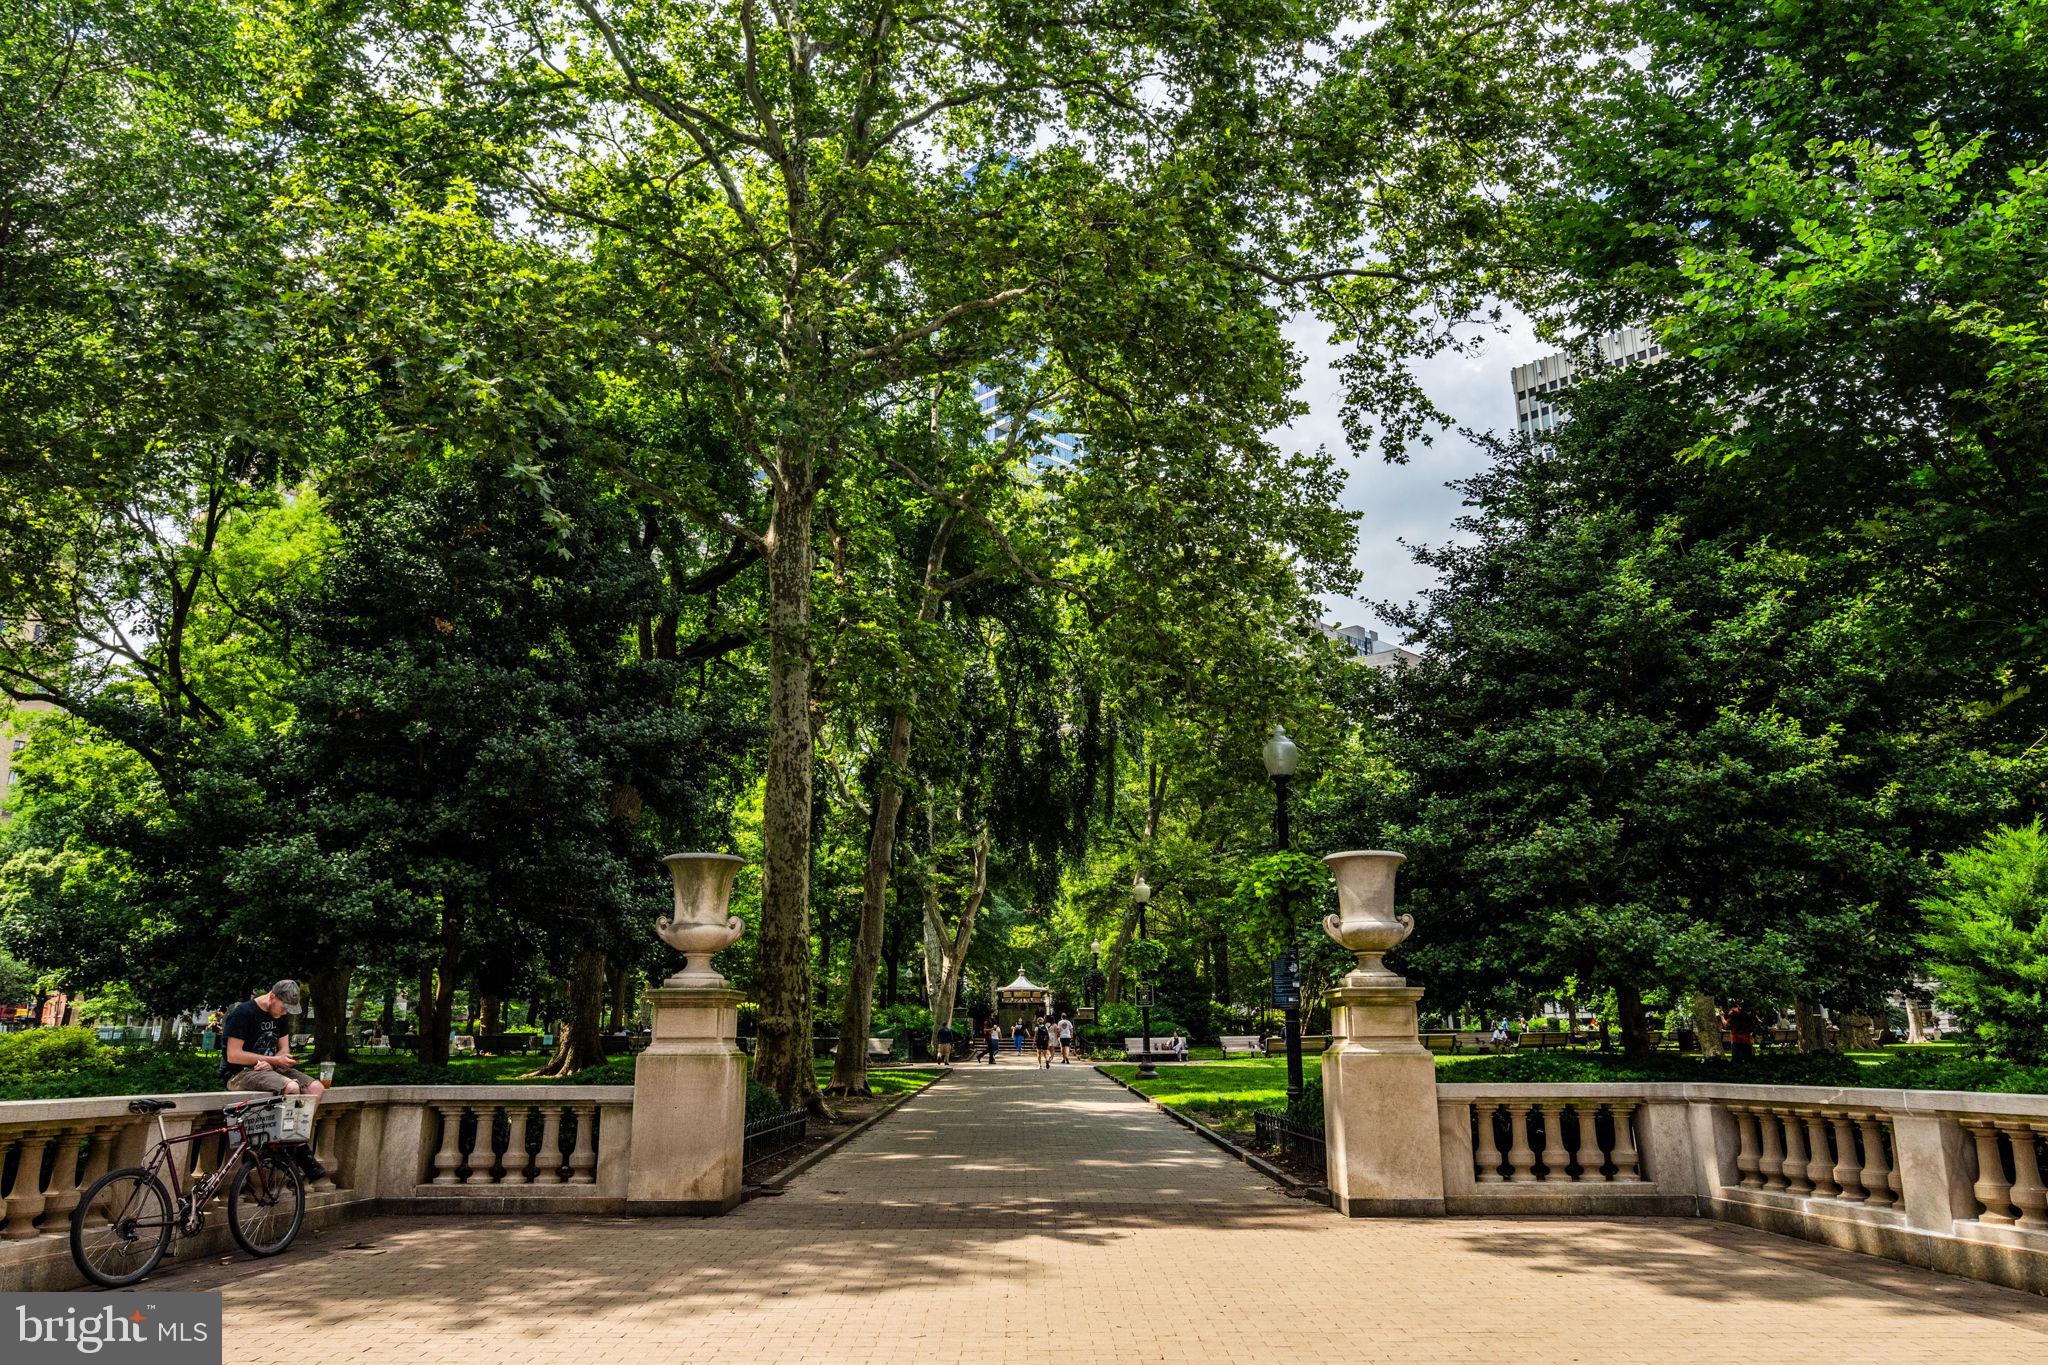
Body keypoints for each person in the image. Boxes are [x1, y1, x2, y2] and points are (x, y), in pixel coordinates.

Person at [220, 980, 326, 1181]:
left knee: (316, 1087)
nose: (285, 1012)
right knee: (292, 1087)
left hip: (271, 1069)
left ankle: (297, 1140)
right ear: (272, 996)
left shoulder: (279, 1016)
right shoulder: (243, 1013)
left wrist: (277, 1061)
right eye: (283, 1007)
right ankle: (297, 1149)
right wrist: (273, 1060)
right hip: (240, 1073)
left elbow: (284, 1050)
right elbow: (233, 1055)